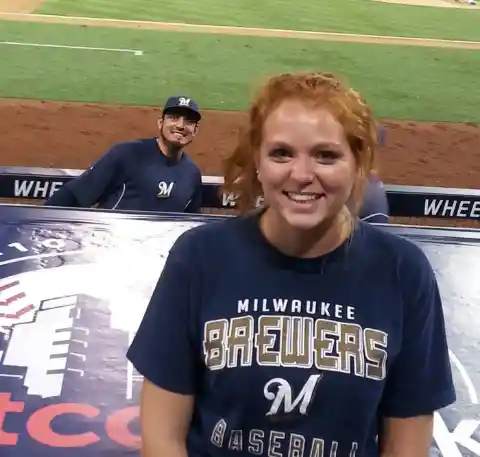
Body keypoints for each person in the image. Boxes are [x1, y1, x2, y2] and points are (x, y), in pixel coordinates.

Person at [127, 72, 456, 457]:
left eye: (326, 155)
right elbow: (162, 438)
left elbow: (407, 445)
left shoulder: (403, 271)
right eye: (281, 153)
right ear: (257, 162)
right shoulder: (200, 257)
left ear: (358, 162)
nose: (302, 175)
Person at [44, 96, 204, 213]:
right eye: (174, 118)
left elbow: (190, 223)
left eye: (189, 121)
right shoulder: (127, 154)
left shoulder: (192, 174)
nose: (181, 125)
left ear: (195, 130)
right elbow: (75, 195)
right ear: (160, 123)